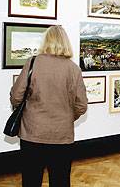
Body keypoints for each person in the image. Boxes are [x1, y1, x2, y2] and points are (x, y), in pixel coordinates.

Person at [10, 25, 88, 187]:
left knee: (31, 180)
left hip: (32, 133)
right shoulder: (73, 69)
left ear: (46, 41)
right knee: (60, 181)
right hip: (61, 136)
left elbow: (16, 97)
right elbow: (81, 105)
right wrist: (67, 116)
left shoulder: (32, 63)